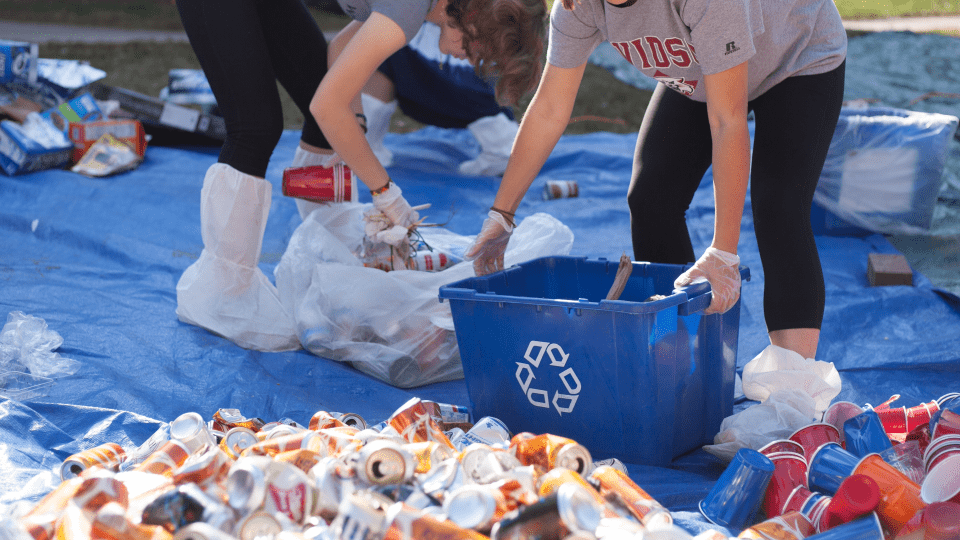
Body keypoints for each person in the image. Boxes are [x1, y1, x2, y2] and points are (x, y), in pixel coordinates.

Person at [465, 0, 847, 361]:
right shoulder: (578, 7)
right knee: (651, 200)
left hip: (795, 57)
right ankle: (687, 357)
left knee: (779, 206)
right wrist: (502, 214)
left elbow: (727, 120)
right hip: (703, 67)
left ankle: (795, 389)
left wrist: (724, 251)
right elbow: (549, 108)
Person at [174, 0, 547, 351]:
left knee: (324, 105)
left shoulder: (418, 8)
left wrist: (355, 125)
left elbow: (340, 51)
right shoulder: (411, 7)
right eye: (478, 51)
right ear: (473, 20)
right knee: (255, 127)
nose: (466, 59)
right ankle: (223, 292)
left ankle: (332, 246)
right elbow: (327, 104)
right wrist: (384, 191)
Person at [360, 20, 519, 176]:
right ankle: (365, 148)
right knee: (383, 57)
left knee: (471, 89)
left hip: (445, 40)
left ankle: (502, 149)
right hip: (418, 36)